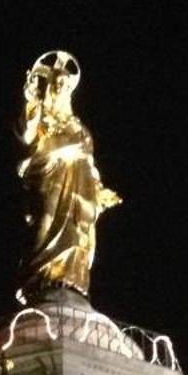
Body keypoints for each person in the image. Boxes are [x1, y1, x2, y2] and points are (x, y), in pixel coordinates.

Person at [16, 51, 120, 301]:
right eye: (57, 83)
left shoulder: (78, 127)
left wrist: (98, 188)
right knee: (46, 221)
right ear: (50, 87)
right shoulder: (42, 115)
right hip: (51, 173)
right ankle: (39, 277)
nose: (61, 87)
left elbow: (89, 161)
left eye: (65, 84)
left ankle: (70, 279)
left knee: (77, 229)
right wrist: (31, 101)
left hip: (79, 181)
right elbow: (26, 134)